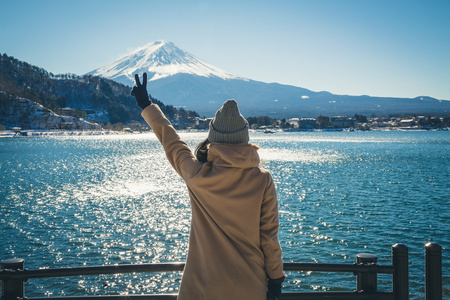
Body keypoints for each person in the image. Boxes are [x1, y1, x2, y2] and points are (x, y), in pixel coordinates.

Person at [131, 73, 285, 300]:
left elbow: (172, 141)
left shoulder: (196, 174)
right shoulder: (263, 180)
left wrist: (146, 104)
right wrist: (275, 281)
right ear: (244, 140)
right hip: (249, 287)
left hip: (202, 289)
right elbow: (268, 238)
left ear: (213, 139)